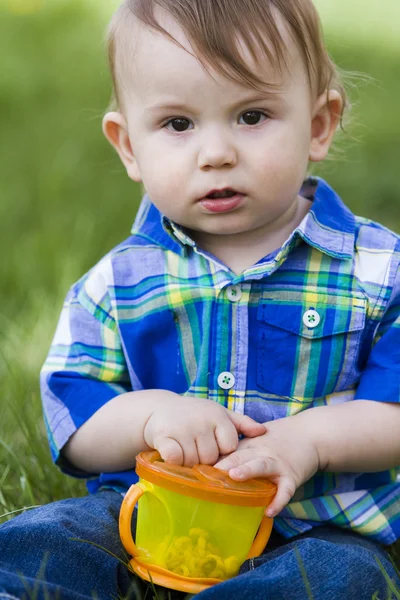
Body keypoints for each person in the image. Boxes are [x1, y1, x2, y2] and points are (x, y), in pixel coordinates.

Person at [1, 0, 400, 598]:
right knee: (44, 536)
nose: (215, 153)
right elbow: (74, 417)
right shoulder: (120, 281)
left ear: (319, 125)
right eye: (178, 125)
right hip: (150, 513)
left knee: (343, 578)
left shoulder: (377, 269)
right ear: (128, 145)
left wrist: (310, 442)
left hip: (319, 525)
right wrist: (154, 416)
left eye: (252, 115)